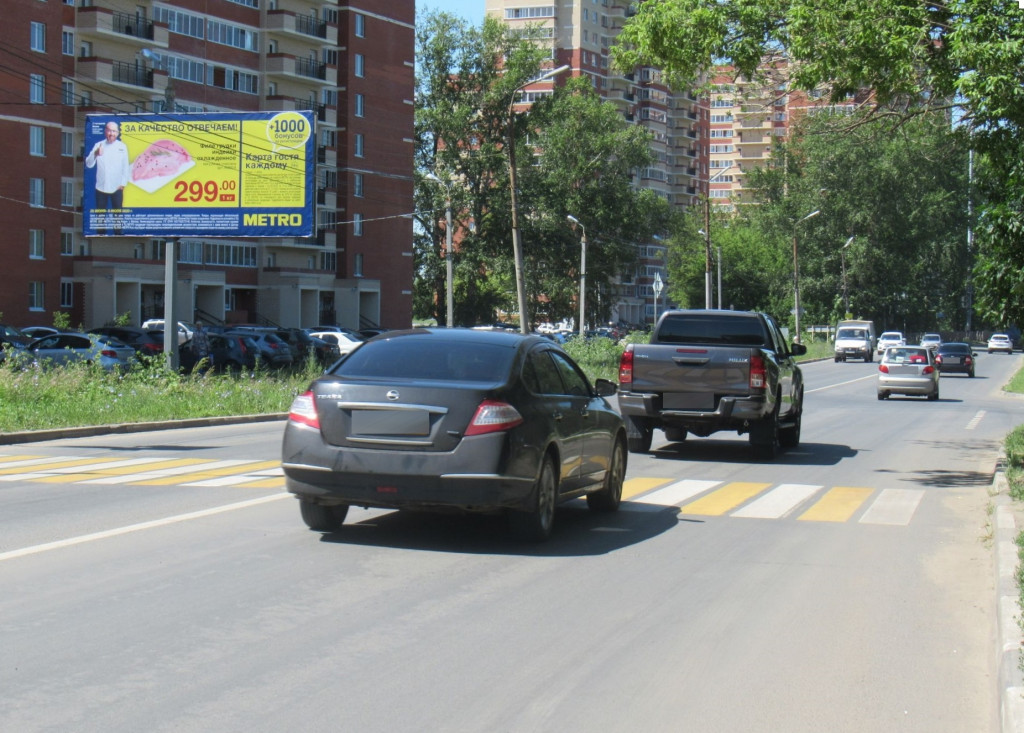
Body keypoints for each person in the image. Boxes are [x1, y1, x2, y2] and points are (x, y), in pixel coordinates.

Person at [85, 120, 129, 234]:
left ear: (118, 133)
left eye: (114, 131)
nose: (111, 134)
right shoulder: (98, 145)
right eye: (109, 131)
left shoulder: (122, 147)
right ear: (105, 131)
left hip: (117, 187)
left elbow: (125, 167)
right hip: (101, 187)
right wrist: (95, 153)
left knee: (117, 214)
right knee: (100, 214)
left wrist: (123, 184)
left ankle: (118, 235)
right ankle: (100, 234)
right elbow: (89, 164)